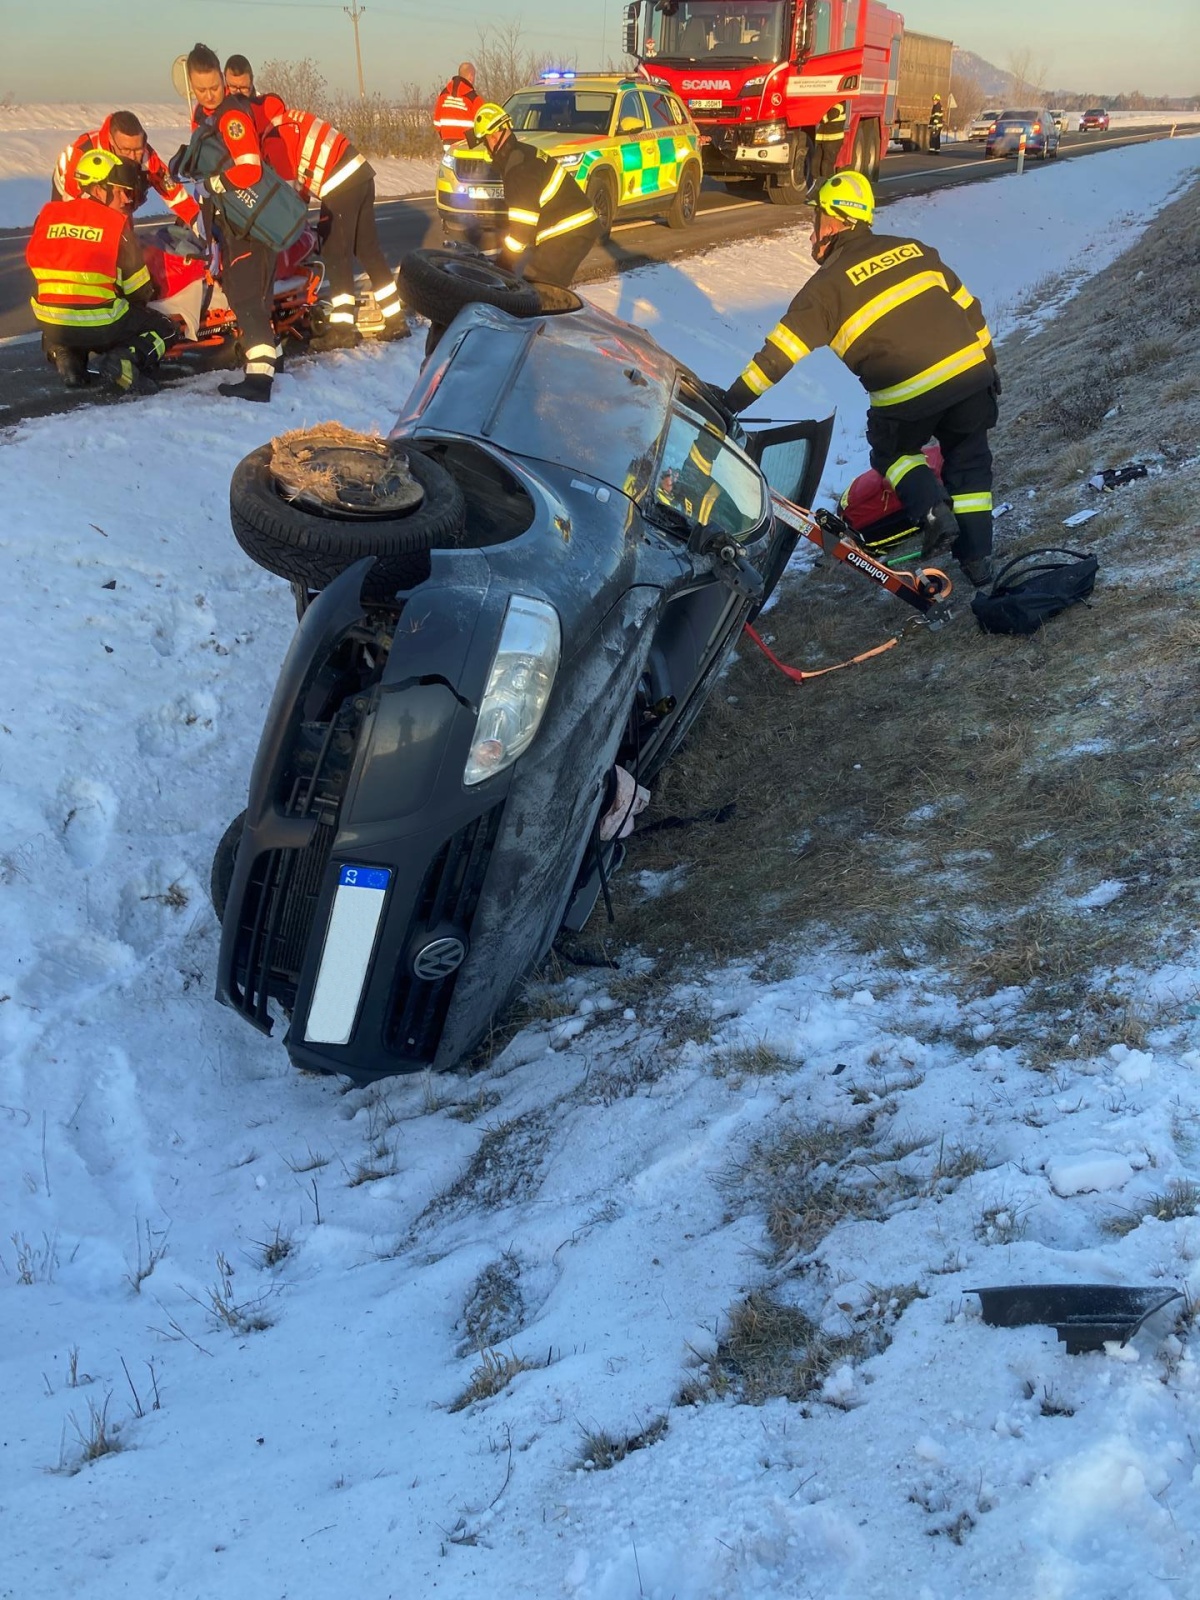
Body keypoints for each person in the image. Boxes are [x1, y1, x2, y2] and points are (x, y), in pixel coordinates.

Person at [717, 170, 1000, 587]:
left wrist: (729, 403)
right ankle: (979, 563)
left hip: (908, 395)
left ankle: (933, 512)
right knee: (970, 461)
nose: (813, 232)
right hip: (970, 376)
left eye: (816, 221)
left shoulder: (824, 289)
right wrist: (988, 365)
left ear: (834, 222)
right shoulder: (915, 251)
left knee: (892, 453)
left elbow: (776, 358)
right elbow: (970, 310)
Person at [27, 149, 174, 395]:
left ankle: (65, 354)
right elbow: (137, 291)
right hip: (101, 325)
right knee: (165, 328)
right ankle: (124, 362)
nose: (127, 199)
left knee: (69, 322)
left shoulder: (48, 215)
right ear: (98, 189)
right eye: (121, 191)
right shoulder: (114, 224)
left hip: (51, 320)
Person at [270, 102, 409, 349]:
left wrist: (290, 226)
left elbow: (292, 191)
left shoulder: (275, 135)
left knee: (336, 254)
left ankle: (343, 330)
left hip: (339, 183)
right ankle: (396, 320)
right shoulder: (291, 119)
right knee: (368, 250)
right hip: (360, 173)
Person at [186, 41, 280, 401]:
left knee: (244, 297)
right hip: (236, 219)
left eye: (214, 88)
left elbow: (249, 168)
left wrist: (215, 182)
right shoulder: (208, 115)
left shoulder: (232, 116)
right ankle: (272, 360)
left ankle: (259, 381)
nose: (209, 95)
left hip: (247, 222)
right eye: (201, 90)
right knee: (253, 293)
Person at [472, 103, 599, 287]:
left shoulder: (518, 168)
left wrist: (504, 263)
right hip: (569, 227)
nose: (487, 149)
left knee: (541, 288)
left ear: (493, 137)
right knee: (535, 284)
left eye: (485, 142)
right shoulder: (523, 153)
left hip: (569, 231)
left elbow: (522, 232)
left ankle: (554, 314)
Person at [53, 111, 200, 229]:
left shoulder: (145, 155)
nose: (133, 157)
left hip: (118, 189)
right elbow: (72, 208)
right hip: (72, 188)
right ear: (111, 140)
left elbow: (174, 193)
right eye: (126, 150)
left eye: (137, 150)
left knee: (124, 237)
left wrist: (199, 226)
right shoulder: (83, 154)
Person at [433, 62, 483, 148]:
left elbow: (437, 122)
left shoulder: (443, 95)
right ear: (471, 76)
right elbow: (482, 123)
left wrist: (444, 136)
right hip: (467, 144)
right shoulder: (473, 98)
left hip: (447, 143)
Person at [809, 100, 846, 190]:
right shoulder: (828, 102)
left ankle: (829, 189)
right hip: (822, 140)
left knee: (826, 165)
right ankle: (816, 188)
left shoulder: (840, 103)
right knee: (815, 164)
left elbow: (832, 114)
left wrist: (818, 117)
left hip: (833, 140)